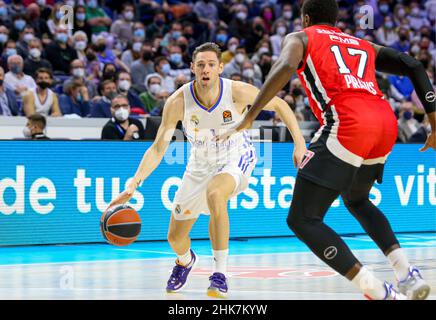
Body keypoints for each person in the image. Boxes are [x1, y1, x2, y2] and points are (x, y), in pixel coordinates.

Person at [229, 0, 435, 300]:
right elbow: (413, 65)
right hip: (385, 122)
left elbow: (286, 65)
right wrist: (433, 121)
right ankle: (407, 274)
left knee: (302, 219)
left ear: (306, 17)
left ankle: (378, 291)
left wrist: (250, 115)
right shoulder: (361, 43)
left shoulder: (300, 37)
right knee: (357, 199)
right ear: (335, 20)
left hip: (349, 122)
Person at [108, 42, 306, 298]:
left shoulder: (236, 91)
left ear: (220, 68)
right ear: (192, 68)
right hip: (199, 165)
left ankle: (220, 274)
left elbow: (280, 105)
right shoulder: (178, 101)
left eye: (211, 64)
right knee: (175, 238)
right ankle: (185, 261)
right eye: (200, 64)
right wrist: (134, 183)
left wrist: (299, 143)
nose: (206, 69)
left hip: (237, 156)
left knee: (216, 194)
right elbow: (158, 148)